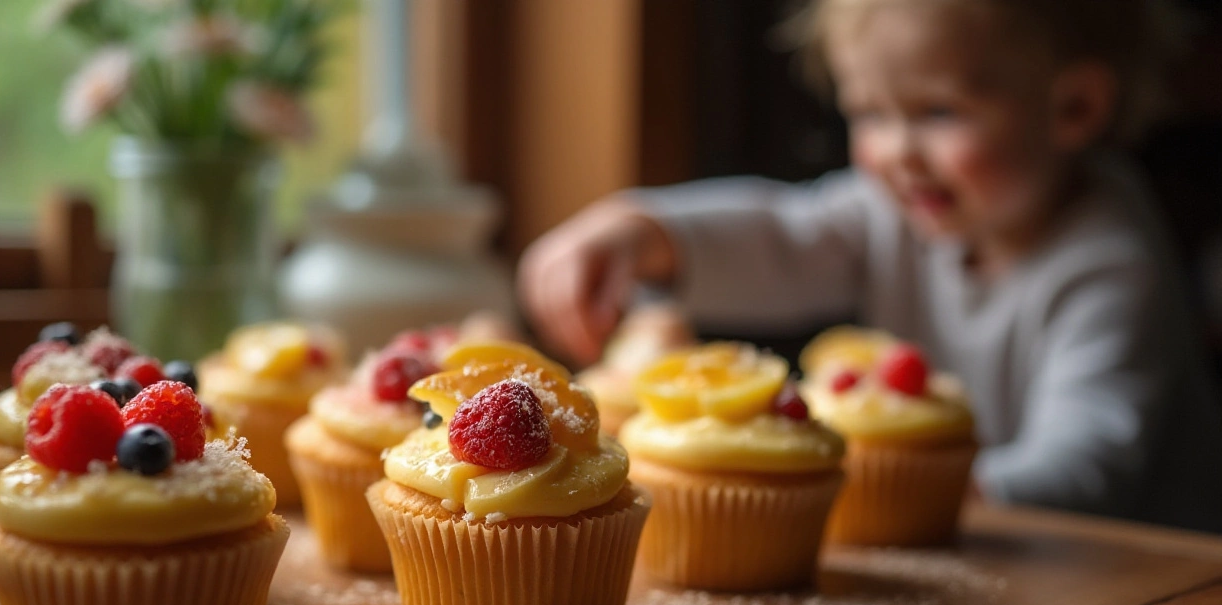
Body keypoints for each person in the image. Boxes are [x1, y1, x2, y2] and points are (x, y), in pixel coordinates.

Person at [517, 0, 1222, 533]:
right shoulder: (900, 210)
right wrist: (642, 231)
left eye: (937, 112)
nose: (897, 153)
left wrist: (874, 487)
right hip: (979, 550)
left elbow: (1088, 464)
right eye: (871, 114)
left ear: (1074, 107)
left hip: (1143, 595)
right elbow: (783, 238)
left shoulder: (1110, 264)